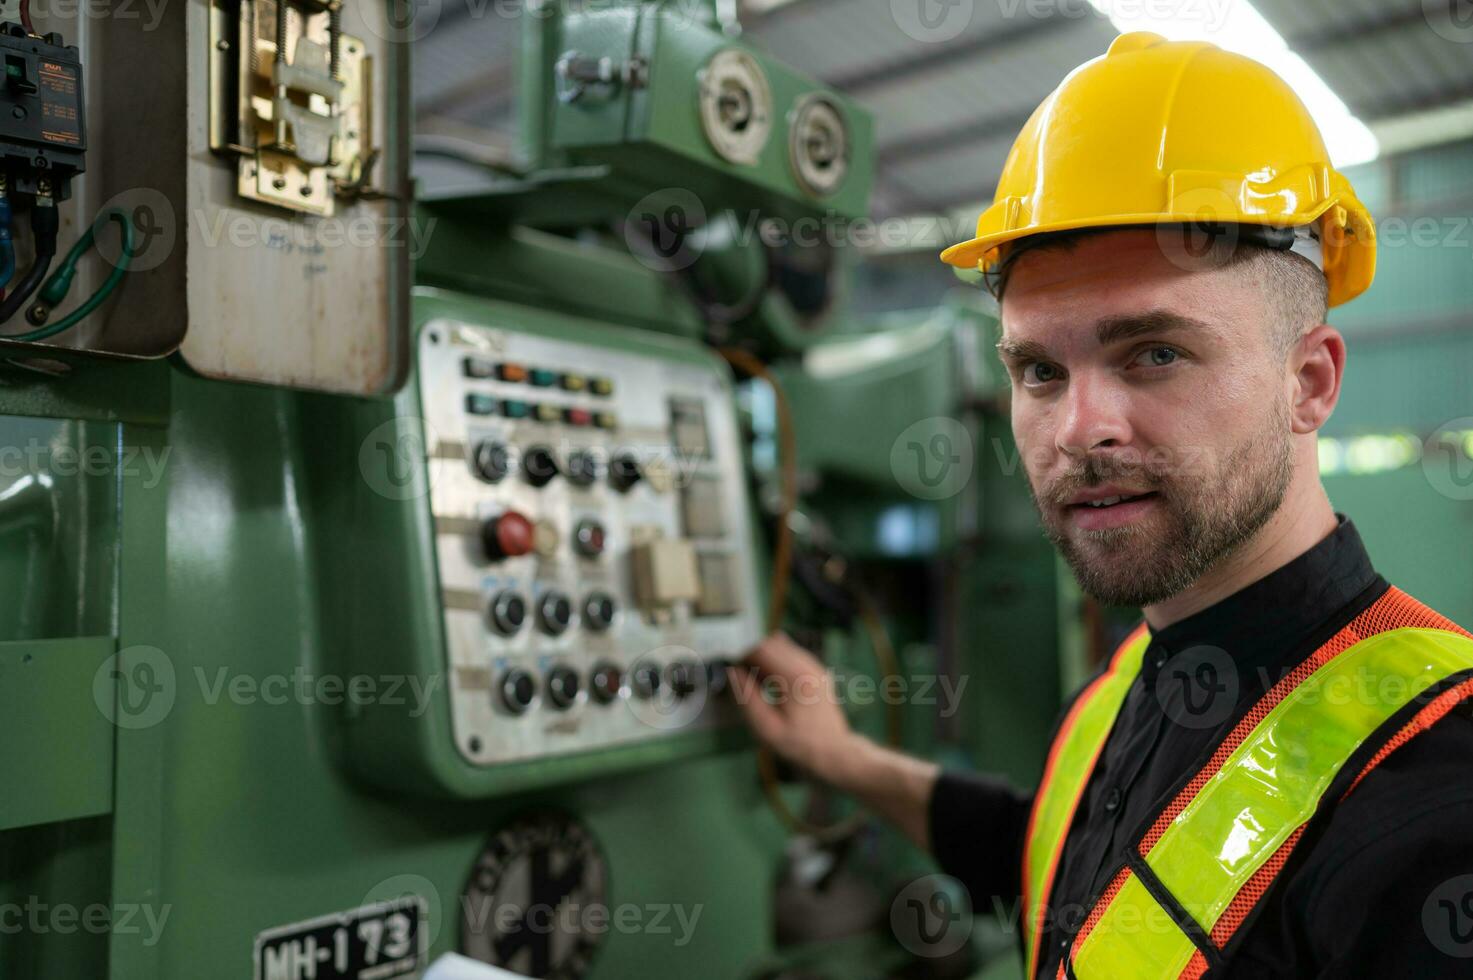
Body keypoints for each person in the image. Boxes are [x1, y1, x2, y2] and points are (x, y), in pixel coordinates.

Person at [728, 32, 1473, 980]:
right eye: (1038, 369)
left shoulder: (1434, 791)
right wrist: (841, 757)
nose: (1078, 430)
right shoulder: (1135, 674)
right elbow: (1057, 866)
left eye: (1154, 354)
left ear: (1309, 383)